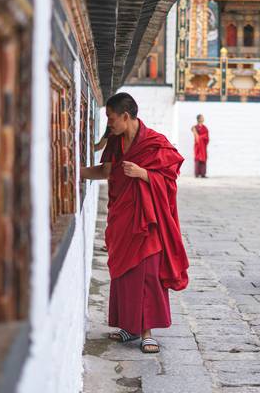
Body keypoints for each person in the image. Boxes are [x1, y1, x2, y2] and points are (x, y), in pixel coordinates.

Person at [80, 92, 189, 354]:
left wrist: (144, 174)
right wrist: (76, 172)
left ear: (126, 117)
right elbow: (106, 171)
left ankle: (147, 331)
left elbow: (170, 179)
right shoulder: (116, 143)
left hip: (147, 220)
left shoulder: (155, 143)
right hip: (123, 216)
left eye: (112, 118)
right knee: (124, 272)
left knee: (148, 273)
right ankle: (129, 326)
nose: (109, 124)